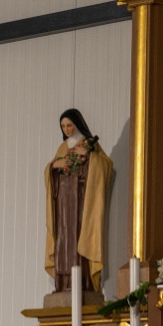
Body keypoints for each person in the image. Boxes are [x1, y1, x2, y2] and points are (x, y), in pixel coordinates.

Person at [44, 108, 113, 294]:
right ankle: (63, 282)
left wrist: (89, 156)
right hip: (63, 201)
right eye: (63, 126)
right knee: (64, 238)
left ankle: (84, 282)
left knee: (79, 237)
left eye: (69, 125)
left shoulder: (89, 144)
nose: (66, 129)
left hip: (82, 200)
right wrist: (54, 166)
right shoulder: (62, 148)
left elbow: (106, 166)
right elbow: (51, 173)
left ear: (78, 124)